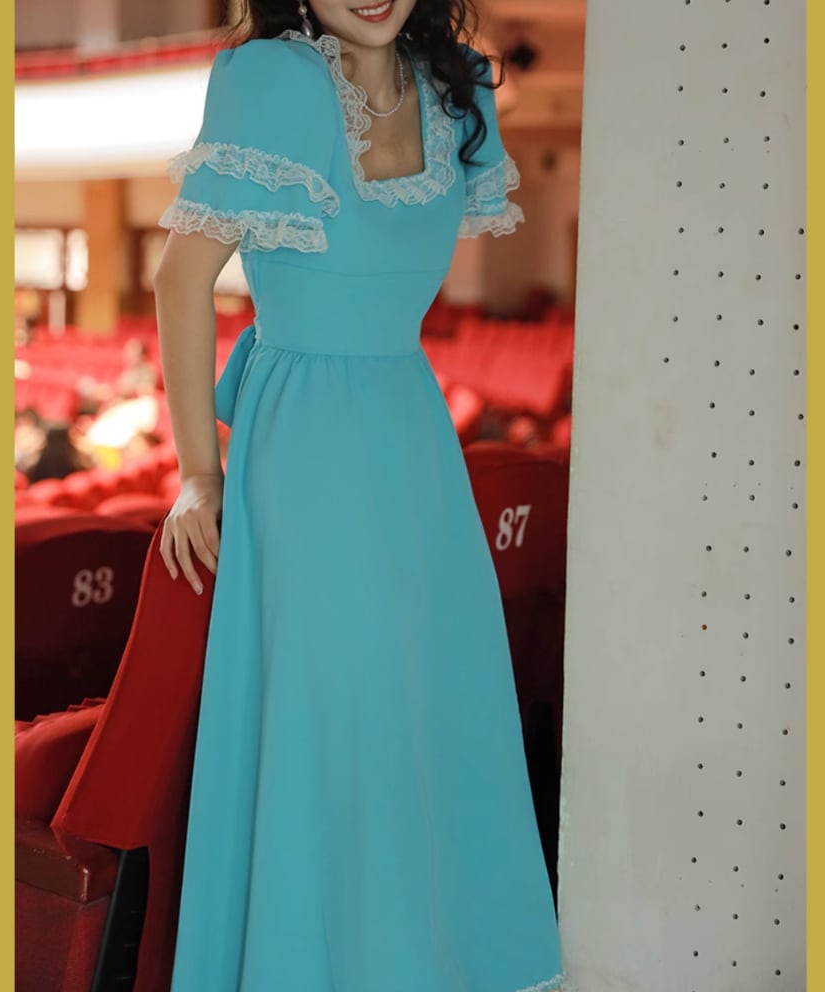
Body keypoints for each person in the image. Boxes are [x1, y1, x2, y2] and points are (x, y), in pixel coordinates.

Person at [152, 2, 564, 990]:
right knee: (330, 709)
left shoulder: (460, 86)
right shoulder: (270, 79)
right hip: (300, 444)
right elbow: (179, 280)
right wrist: (198, 473)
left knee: (429, 702)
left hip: (411, 438)